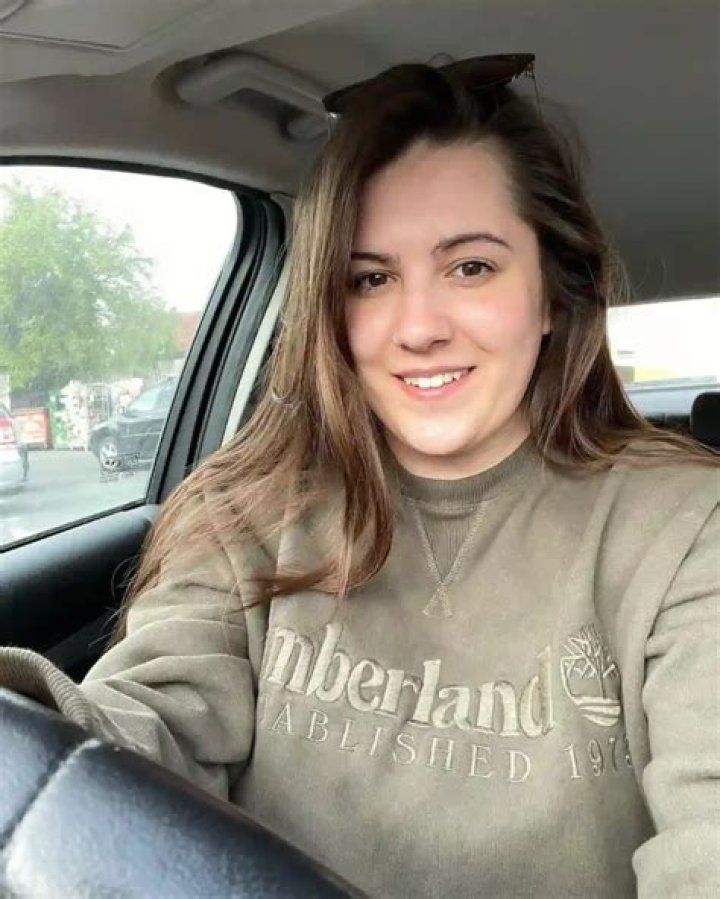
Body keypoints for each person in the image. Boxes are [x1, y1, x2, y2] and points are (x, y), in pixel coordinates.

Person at [1, 57, 718, 898]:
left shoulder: (683, 528)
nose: (418, 327)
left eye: (471, 267)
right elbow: (137, 741)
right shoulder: (249, 508)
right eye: (371, 279)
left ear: (553, 295)